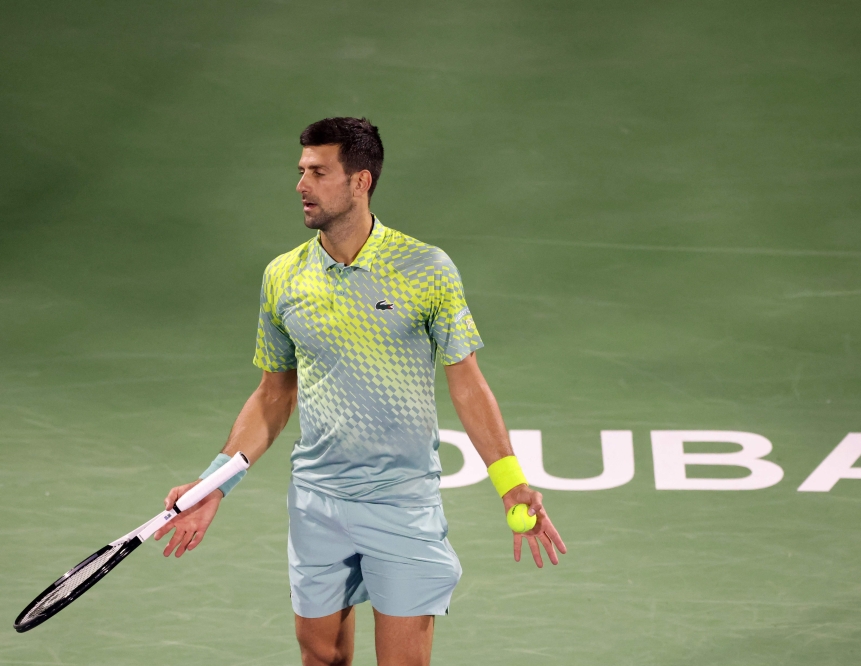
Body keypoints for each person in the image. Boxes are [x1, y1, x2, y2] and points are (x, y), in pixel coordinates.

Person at [153, 117, 566, 666]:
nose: (301, 184)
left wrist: (511, 483)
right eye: (301, 171)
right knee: (320, 656)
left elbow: (467, 385)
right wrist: (216, 481)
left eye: (318, 172)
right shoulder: (283, 277)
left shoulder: (425, 270)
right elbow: (274, 395)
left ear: (360, 182)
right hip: (316, 501)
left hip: (401, 501)